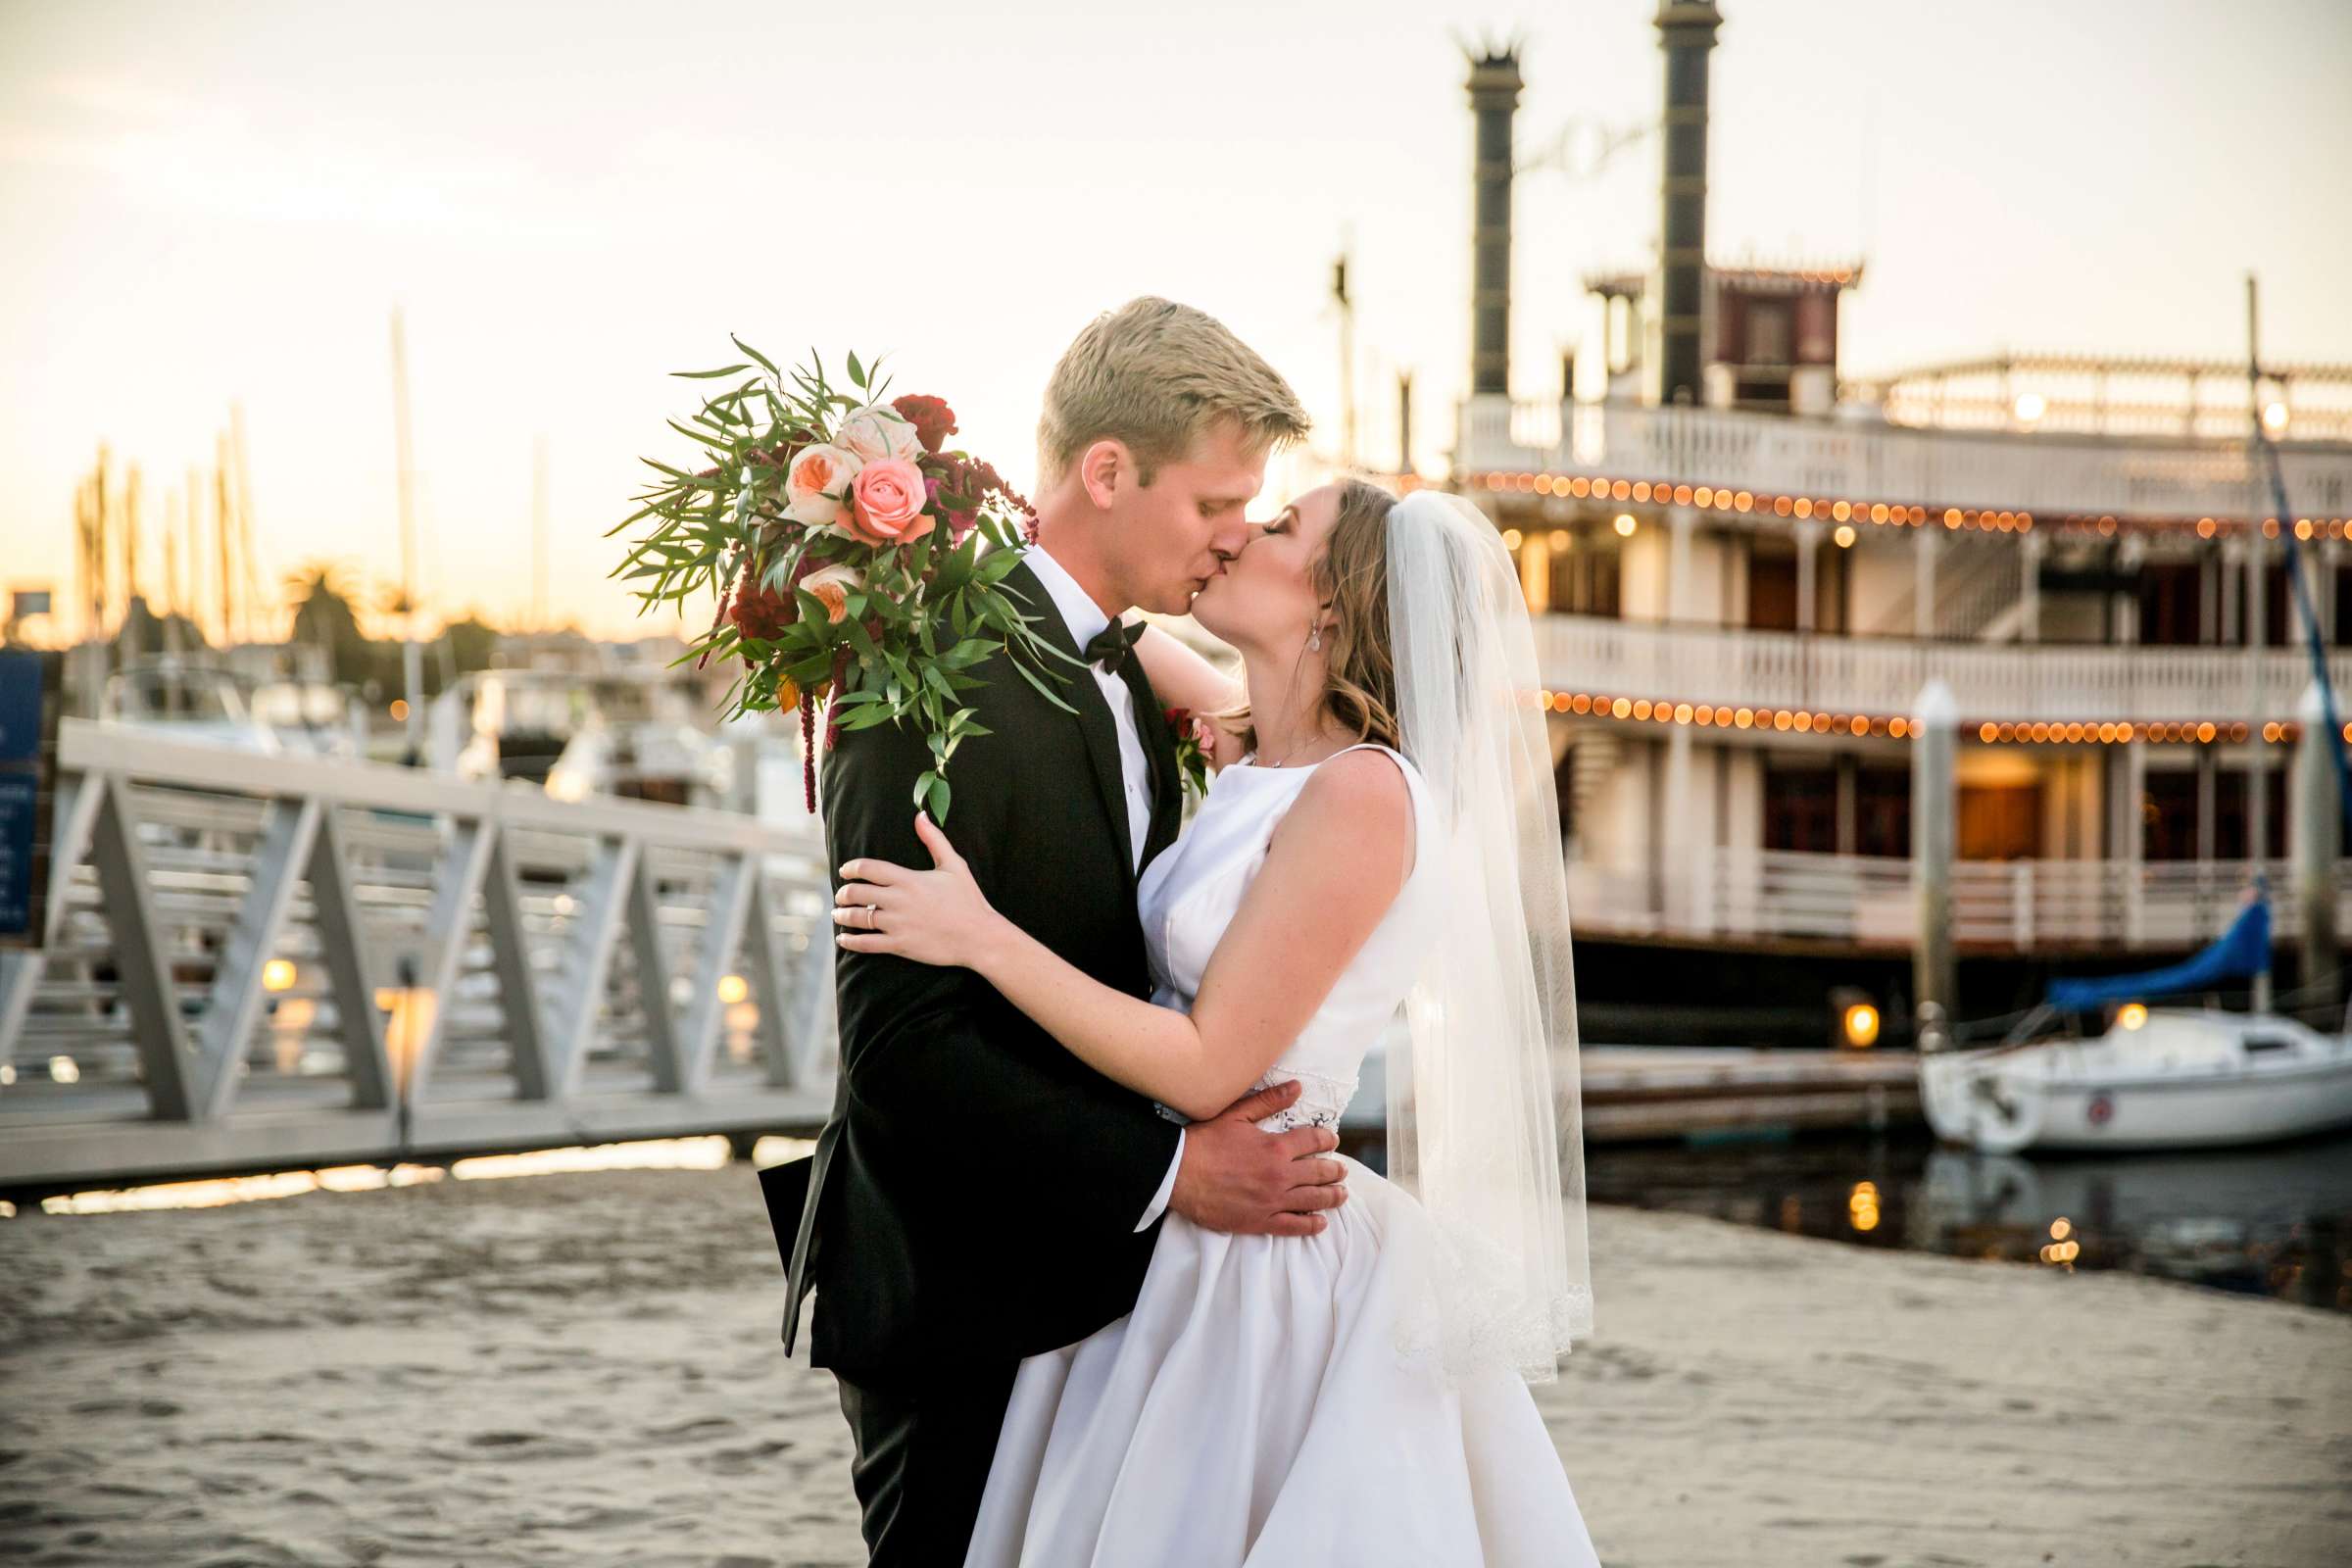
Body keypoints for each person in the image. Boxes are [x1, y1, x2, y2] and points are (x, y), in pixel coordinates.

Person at [835, 478, 1601, 1564]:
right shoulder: (1257, 749)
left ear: (1334, 607)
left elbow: (1205, 1069)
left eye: (1282, 526)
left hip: (1251, 1260)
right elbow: (1086, 628)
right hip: (1159, 1236)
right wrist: (905, 534)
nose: (1240, 531)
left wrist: (981, 935)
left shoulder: (1364, 797)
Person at [764, 298, 1352, 1565]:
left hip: (1097, 1286)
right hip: (954, 1294)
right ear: (1105, 472)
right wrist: (1176, 1177)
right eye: (1212, 507)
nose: (1234, 535)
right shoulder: (916, 665)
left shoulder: (1129, 682)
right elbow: (902, 1056)